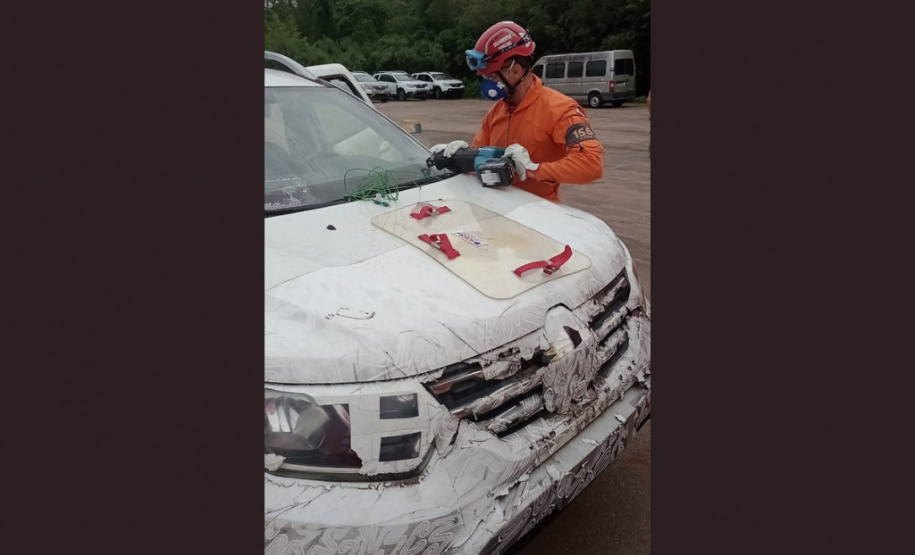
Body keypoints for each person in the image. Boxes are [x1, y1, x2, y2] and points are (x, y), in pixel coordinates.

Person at [430, 21, 604, 203]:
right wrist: (458, 157)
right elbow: (481, 158)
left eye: (492, 76)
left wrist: (533, 169)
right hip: (495, 207)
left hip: (539, 210)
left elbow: (591, 164)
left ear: (515, 70)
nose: (487, 83)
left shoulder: (561, 110)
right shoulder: (496, 112)